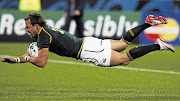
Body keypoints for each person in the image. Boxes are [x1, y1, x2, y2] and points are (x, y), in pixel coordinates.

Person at [1, 13, 176, 68]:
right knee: (123, 43)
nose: (26, 30)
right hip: (86, 42)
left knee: (124, 59)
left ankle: (157, 45)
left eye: (28, 27)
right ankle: (147, 23)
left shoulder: (43, 37)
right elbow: (33, 53)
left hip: (85, 51)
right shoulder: (45, 31)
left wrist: (31, 58)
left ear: (36, 26)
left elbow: (41, 62)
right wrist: (17, 60)